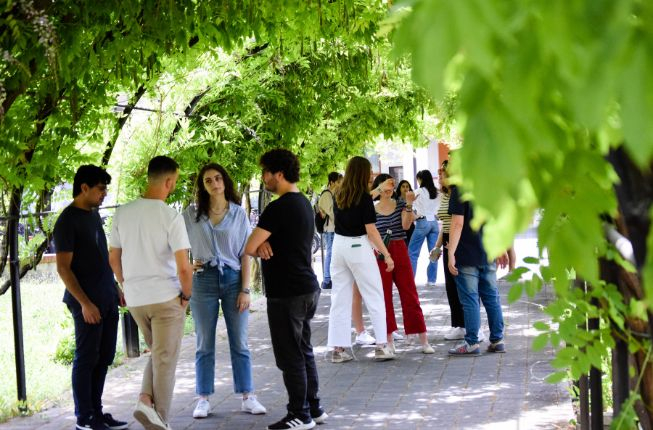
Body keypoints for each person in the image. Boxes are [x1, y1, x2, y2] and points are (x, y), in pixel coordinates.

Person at [108, 156, 193, 429]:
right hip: (166, 297)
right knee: (166, 361)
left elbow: (113, 258)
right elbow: (183, 267)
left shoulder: (122, 212)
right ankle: (161, 422)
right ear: (168, 181)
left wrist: (125, 283)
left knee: (159, 353)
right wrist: (187, 296)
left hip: (136, 299)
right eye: (175, 182)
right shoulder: (170, 216)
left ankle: (145, 401)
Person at [244, 149, 326, 430]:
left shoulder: (277, 208)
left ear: (278, 173)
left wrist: (261, 245)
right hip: (306, 288)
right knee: (304, 351)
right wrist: (264, 244)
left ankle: (299, 415)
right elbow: (261, 244)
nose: (264, 178)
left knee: (290, 356)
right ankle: (314, 408)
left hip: (287, 293)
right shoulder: (303, 203)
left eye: (266, 172)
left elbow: (248, 247)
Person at [182, 163, 266, 419]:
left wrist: (245, 289)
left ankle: (247, 395)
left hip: (232, 281)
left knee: (239, 341)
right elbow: (173, 246)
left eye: (218, 178)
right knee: (203, 342)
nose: (214, 183)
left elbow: (245, 253)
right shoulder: (190, 214)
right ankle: (203, 398)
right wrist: (186, 265)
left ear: (224, 181)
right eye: (208, 180)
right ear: (203, 186)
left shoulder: (238, 213)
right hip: (203, 280)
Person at [54, 165, 127, 430]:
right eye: (100, 188)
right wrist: (85, 303)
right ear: (83, 188)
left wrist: (115, 288)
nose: (104, 193)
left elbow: (100, 257)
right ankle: (84, 417)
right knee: (87, 358)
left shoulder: (94, 215)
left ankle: (97, 412)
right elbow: (63, 268)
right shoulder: (67, 220)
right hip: (86, 303)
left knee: (105, 356)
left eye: (105, 188)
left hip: (107, 297)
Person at [327, 156, 395, 363]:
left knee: (339, 298)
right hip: (359, 246)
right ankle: (382, 346)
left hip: (339, 246)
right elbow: (371, 231)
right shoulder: (364, 198)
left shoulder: (339, 194)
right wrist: (387, 254)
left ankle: (338, 349)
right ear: (363, 173)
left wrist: (377, 189)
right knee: (374, 295)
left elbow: (362, 199)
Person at [372, 174, 434, 354]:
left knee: (409, 293)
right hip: (381, 251)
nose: (390, 188)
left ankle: (423, 338)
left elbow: (406, 226)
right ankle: (389, 339)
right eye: (386, 184)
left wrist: (408, 204)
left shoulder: (400, 204)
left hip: (399, 248)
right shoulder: (372, 209)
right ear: (379, 187)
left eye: (392, 184)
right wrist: (381, 251)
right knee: (384, 296)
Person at [447, 181, 507, 355]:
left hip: (466, 253)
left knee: (470, 299)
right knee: (491, 297)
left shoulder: (460, 189)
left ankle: (472, 342)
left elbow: (457, 223)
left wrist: (451, 252)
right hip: (488, 250)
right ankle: (498, 339)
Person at [407, 170, 440, 287]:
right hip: (434, 222)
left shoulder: (418, 192)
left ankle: (410, 281)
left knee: (412, 253)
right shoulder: (436, 192)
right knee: (434, 252)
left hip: (422, 222)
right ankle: (431, 280)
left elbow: (411, 205)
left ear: (420, 179)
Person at [317, 172, 343, 289]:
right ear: (331, 182)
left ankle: (330, 277)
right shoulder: (327, 195)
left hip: (333, 228)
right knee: (330, 252)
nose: (339, 185)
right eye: (338, 182)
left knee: (333, 253)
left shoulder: (333, 194)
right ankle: (327, 279)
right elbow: (332, 213)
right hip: (331, 228)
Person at [395, 179, 415, 244]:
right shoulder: (396, 199)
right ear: (399, 188)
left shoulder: (411, 199)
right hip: (399, 226)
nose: (405, 188)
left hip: (410, 225)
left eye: (407, 186)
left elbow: (413, 214)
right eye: (403, 186)